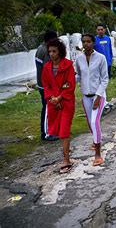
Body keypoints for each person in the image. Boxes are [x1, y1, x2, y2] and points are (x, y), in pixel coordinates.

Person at [41, 38, 76, 174]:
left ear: (60, 52)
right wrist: (52, 98)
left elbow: (69, 84)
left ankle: (66, 159)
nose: (51, 54)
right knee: (57, 129)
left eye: (54, 51)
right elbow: (46, 84)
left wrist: (60, 97)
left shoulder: (68, 65)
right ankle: (66, 153)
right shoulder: (46, 68)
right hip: (53, 103)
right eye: (50, 51)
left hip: (66, 102)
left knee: (64, 131)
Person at [75, 34, 109, 167]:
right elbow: (79, 74)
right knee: (90, 122)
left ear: (93, 43)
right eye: (84, 42)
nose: (86, 44)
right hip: (86, 96)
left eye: (89, 41)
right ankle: (96, 141)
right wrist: (69, 83)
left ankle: (98, 154)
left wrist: (99, 96)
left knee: (95, 122)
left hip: (98, 96)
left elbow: (105, 78)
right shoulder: (78, 58)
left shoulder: (101, 58)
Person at [35, 30, 58, 141]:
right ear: (51, 39)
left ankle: (50, 131)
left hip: (41, 85)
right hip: (46, 86)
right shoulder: (47, 51)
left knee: (47, 108)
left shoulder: (40, 48)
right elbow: (48, 70)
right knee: (48, 109)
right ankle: (46, 133)